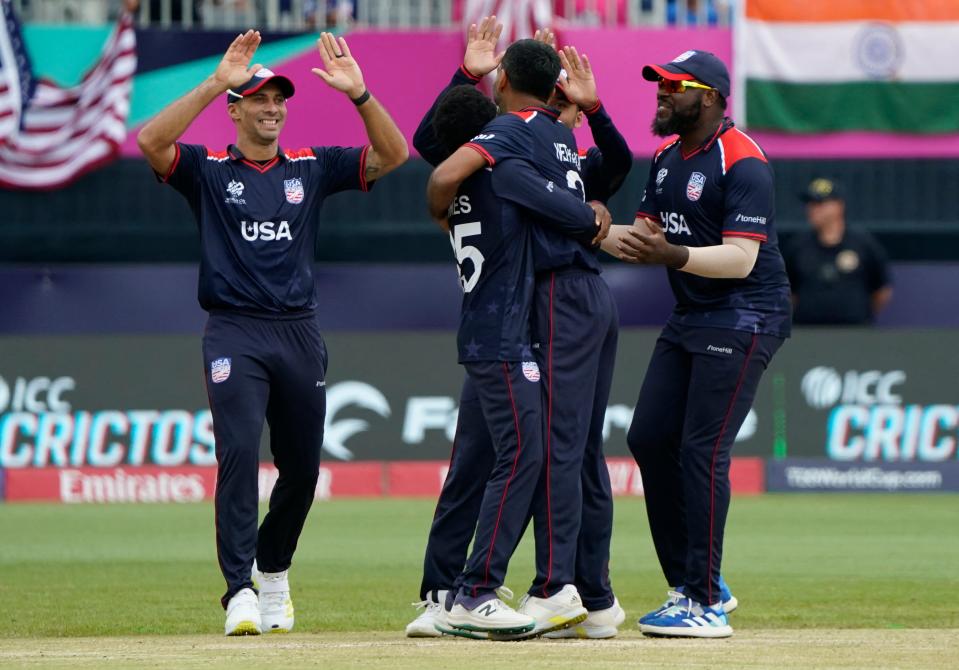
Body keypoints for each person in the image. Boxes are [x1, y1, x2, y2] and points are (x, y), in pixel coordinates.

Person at [136, 30, 408, 636]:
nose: (272, 108)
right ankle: (238, 591)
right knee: (237, 455)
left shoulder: (311, 167)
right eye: (258, 99)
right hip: (234, 330)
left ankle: (274, 571)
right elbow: (150, 141)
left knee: (304, 469)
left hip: (298, 332)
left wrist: (361, 94)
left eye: (279, 99)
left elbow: (394, 156)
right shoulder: (208, 171)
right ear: (235, 108)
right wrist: (214, 80)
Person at [407, 18, 631, 641]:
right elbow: (442, 157)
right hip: (531, 308)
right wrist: (588, 216)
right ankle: (536, 588)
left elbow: (436, 153)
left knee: (510, 454)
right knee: (542, 450)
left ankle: (469, 589)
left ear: (501, 80)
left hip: (526, 308)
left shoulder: (513, 142)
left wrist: (467, 78)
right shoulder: (519, 142)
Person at [602, 49, 790, 638]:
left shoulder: (744, 161)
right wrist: (576, 221)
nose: (660, 92)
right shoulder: (662, 158)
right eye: (657, 82)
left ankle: (702, 601)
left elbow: (740, 259)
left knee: (701, 451)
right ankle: (695, 582)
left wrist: (674, 255)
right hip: (694, 313)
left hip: (745, 312)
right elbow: (644, 240)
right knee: (649, 437)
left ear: (708, 95)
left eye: (672, 85)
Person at [784, 177, 893, 325]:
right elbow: (789, 290)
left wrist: (861, 313)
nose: (813, 209)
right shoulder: (798, 245)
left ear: (839, 206)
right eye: (810, 204)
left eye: (820, 204)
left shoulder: (863, 243)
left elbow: (881, 289)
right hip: (807, 333)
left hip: (856, 333)